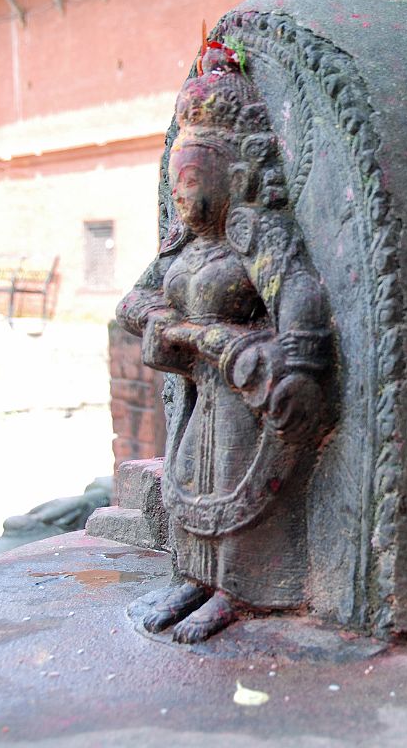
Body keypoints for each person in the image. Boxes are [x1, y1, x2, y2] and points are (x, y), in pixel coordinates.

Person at [117, 44, 332, 643]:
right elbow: (132, 304)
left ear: (234, 178)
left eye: (194, 184)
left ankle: (242, 590)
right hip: (200, 392)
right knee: (190, 476)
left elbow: (304, 308)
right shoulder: (181, 246)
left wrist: (226, 342)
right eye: (177, 185)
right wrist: (170, 325)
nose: (183, 199)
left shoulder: (254, 234)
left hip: (243, 394)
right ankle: (195, 575)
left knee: (237, 483)